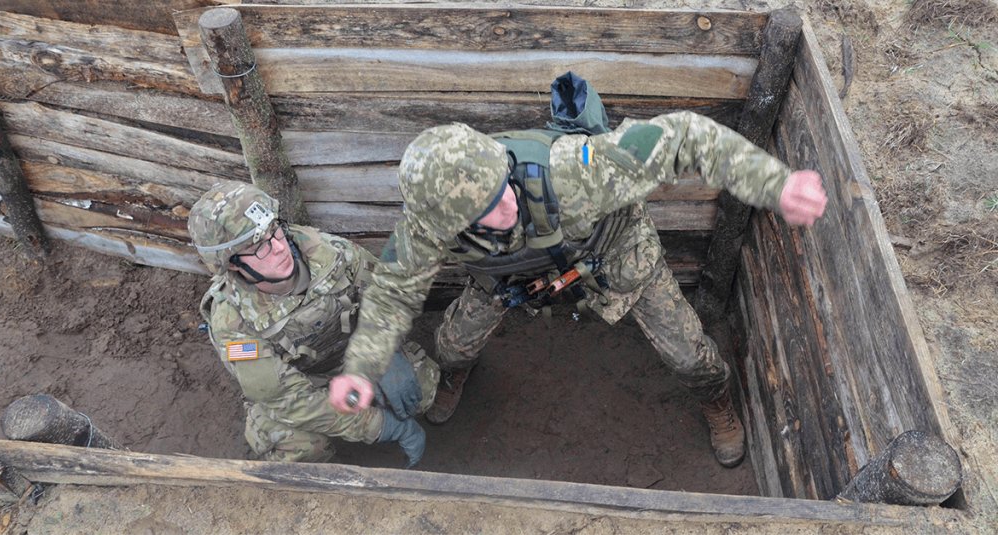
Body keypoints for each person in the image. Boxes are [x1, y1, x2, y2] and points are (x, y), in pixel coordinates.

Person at [328, 84, 827, 468]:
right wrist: (361, 369)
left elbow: (684, 136)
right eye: (486, 210)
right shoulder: (425, 228)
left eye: (503, 187)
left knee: (690, 355)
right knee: (452, 346)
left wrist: (775, 184)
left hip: (611, 254)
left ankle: (715, 400)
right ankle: (458, 375)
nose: (507, 205)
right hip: (508, 278)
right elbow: (390, 294)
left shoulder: (575, 171)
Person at [188, 181, 439, 467]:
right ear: (233, 264)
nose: (279, 248)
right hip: (299, 385)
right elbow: (288, 400)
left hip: (352, 356)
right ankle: (331, 482)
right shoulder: (232, 322)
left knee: (422, 388)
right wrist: (380, 426)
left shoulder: (329, 253)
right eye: (259, 247)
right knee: (298, 448)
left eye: (274, 230)